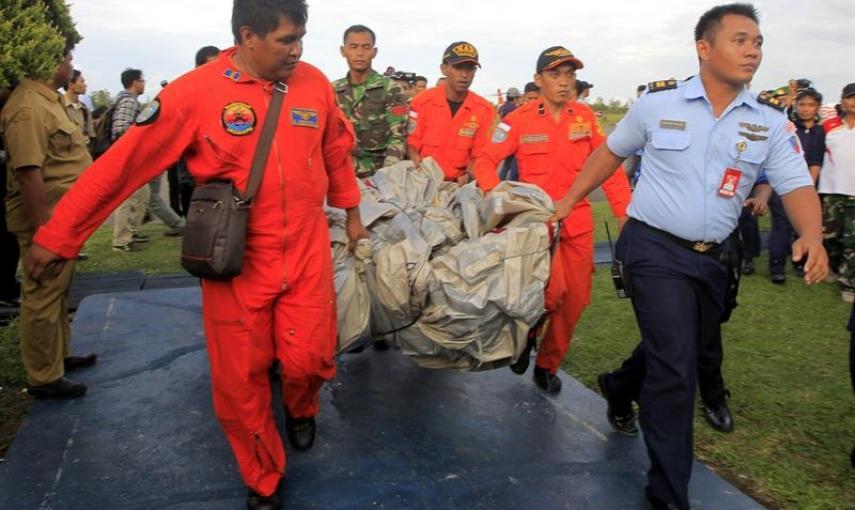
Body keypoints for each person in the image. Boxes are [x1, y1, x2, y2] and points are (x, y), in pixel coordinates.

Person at [23, 1, 369, 508]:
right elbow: (121, 168)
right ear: (248, 36)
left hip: (308, 249)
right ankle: (263, 478)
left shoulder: (314, 84)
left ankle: (301, 405)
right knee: (241, 379)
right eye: (286, 40)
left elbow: (335, 150)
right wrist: (58, 238)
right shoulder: (193, 93)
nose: (297, 50)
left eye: (302, 38)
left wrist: (351, 212)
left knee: (309, 358)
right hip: (235, 260)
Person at [548, 5, 826, 509]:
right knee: (677, 368)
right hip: (653, 247)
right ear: (704, 47)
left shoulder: (768, 122)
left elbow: (796, 183)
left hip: (714, 258)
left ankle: (619, 384)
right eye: (740, 40)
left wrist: (812, 233)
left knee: (684, 345)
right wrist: (569, 199)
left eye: (758, 42)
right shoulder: (658, 105)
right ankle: (669, 494)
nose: (753, 51)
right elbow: (610, 152)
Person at [472, 46, 632, 393]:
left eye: (570, 75)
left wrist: (624, 214)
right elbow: (484, 159)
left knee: (574, 300)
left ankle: (547, 365)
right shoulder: (518, 119)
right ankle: (525, 337)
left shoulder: (586, 118)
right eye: (556, 74)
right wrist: (500, 199)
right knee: (549, 295)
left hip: (578, 225)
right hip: (535, 229)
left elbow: (612, 169)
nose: (564, 82)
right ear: (538, 79)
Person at [0, 49, 98, 399]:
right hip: (46, 223)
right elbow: (28, 172)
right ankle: (44, 376)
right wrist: (46, 233)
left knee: (57, 291)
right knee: (42, 293)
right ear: (48, 61)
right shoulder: (27, 106)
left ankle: (58, 356)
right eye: (67, 58)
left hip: (64, 218)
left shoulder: (50, 101)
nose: (71, 65)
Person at [407, 42, 495, 183]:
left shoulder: (484, 110)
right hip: (421, 182)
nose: (465, 74)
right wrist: (415, 162)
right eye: (458, 67)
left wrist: (470, 174)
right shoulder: (421, 102)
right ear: (444, 69)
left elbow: (481, 154)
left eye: (470, 69)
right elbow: (411, 144)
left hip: (459, 187)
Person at [333, 24, 408, 177]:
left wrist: (385, 177)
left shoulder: (390, 89)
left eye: (366, 47)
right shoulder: (332, 90)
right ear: (343, 51)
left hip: (378, 175)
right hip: (341, 173)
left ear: (374, 52)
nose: (360, 53)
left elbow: (398, 138)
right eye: (353, 47)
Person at [767, 87, 825, 282]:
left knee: (802, 228)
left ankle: (802, 262)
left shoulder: (819, 132)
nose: (805, 109)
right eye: (801, 104)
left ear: (817, 107)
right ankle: (777, 266)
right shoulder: (787, 127)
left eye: (810, 105)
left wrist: (809, 188)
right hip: (781, 184)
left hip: (804, 186)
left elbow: (816, 162)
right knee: (780, 226)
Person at [818, 83, 855, 302]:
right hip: (831, 189)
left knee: (853, 240)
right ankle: (831, 266)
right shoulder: (829, 126)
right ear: (843, 100)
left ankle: (848, 283)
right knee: (830, 235)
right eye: (850, 98)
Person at [110, 68, 150, 252]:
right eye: (142, 81)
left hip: (132, 157)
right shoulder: (128, 100)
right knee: (126, 198)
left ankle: (131, 233)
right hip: (126, 157)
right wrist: (137, 141)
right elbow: (120, 128)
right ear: (135, 82)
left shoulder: (129, 100)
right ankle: (120, 241)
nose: (144, 84)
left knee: (142, 195)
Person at [63, 70, 94, 147]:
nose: (85, 85)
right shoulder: (59, 105)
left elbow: (91, 134)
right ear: (71, 85)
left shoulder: (84, 109)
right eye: (81, 81)